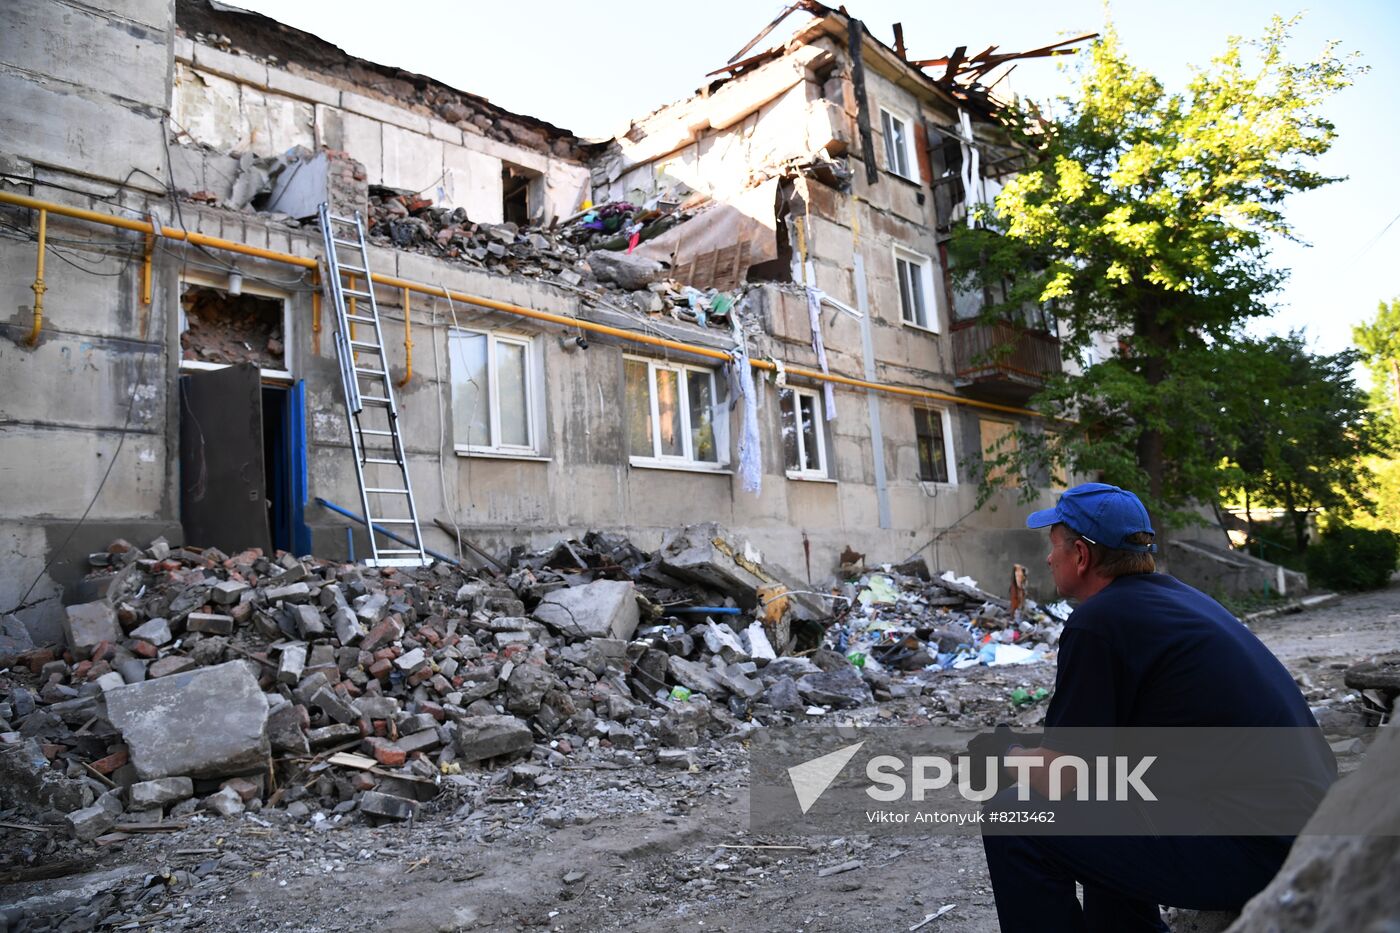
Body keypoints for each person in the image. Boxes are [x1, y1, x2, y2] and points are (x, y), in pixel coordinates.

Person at [979, 482, 1335, 933]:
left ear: (1081, 555)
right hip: (1303, 834)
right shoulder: (1178, 600)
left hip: (1258, 850)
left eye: (1053, 546)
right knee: (1109, 790)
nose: (1048, 559)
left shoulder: (1099, 622)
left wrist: (1002, 756)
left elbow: (1060, 776)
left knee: (1012, 817)